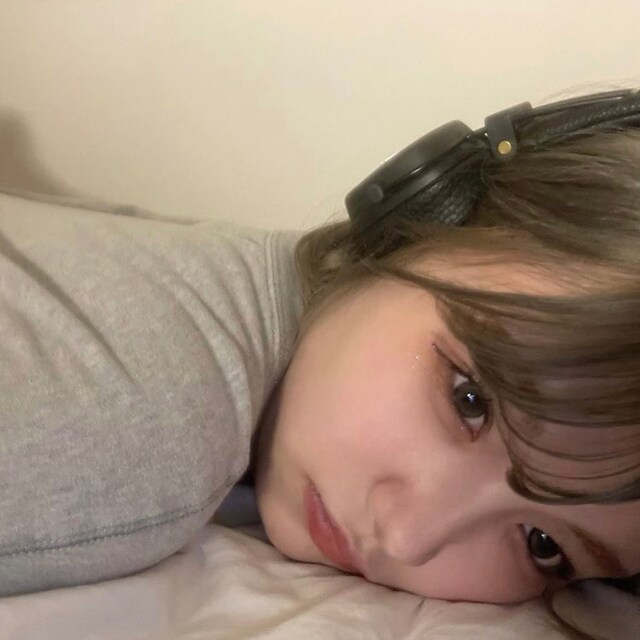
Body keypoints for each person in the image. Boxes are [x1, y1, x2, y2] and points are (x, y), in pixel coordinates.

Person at [0, 87, 638, 636]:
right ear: (424, 213)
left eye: (543, 545)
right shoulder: (149, 430)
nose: (408, 536)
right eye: (468, 400)